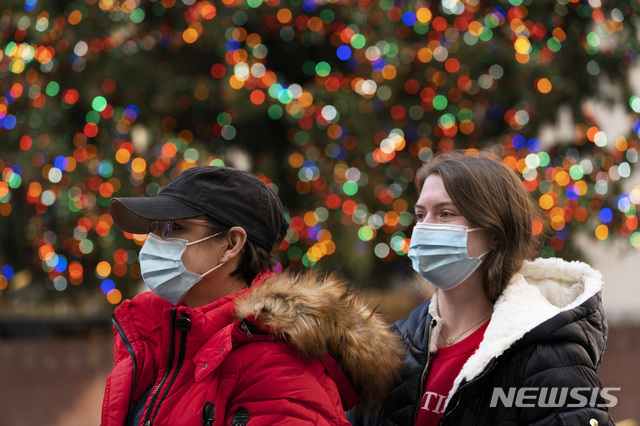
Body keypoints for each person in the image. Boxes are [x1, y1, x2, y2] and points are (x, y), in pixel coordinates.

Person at [101, 165, 404, 426]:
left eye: (173, 227)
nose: (154, 241)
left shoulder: (279, 371)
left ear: (231, 244)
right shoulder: (165, 339)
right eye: (154, 229)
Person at [348, 151, 614, 425]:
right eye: (420, 214)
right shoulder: (393, 346)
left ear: (495, 233)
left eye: (445, 213)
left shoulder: (547, 353)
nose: (424, 228)